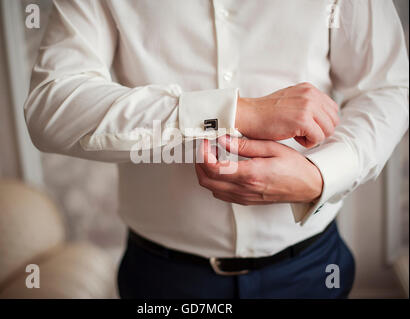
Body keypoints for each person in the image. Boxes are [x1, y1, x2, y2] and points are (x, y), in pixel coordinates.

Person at [24, 0, 409, 298]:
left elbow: (388, 87)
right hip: (163, 277)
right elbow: (51, 105)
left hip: (310, 268)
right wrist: (234, 112)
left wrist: (320, 176)